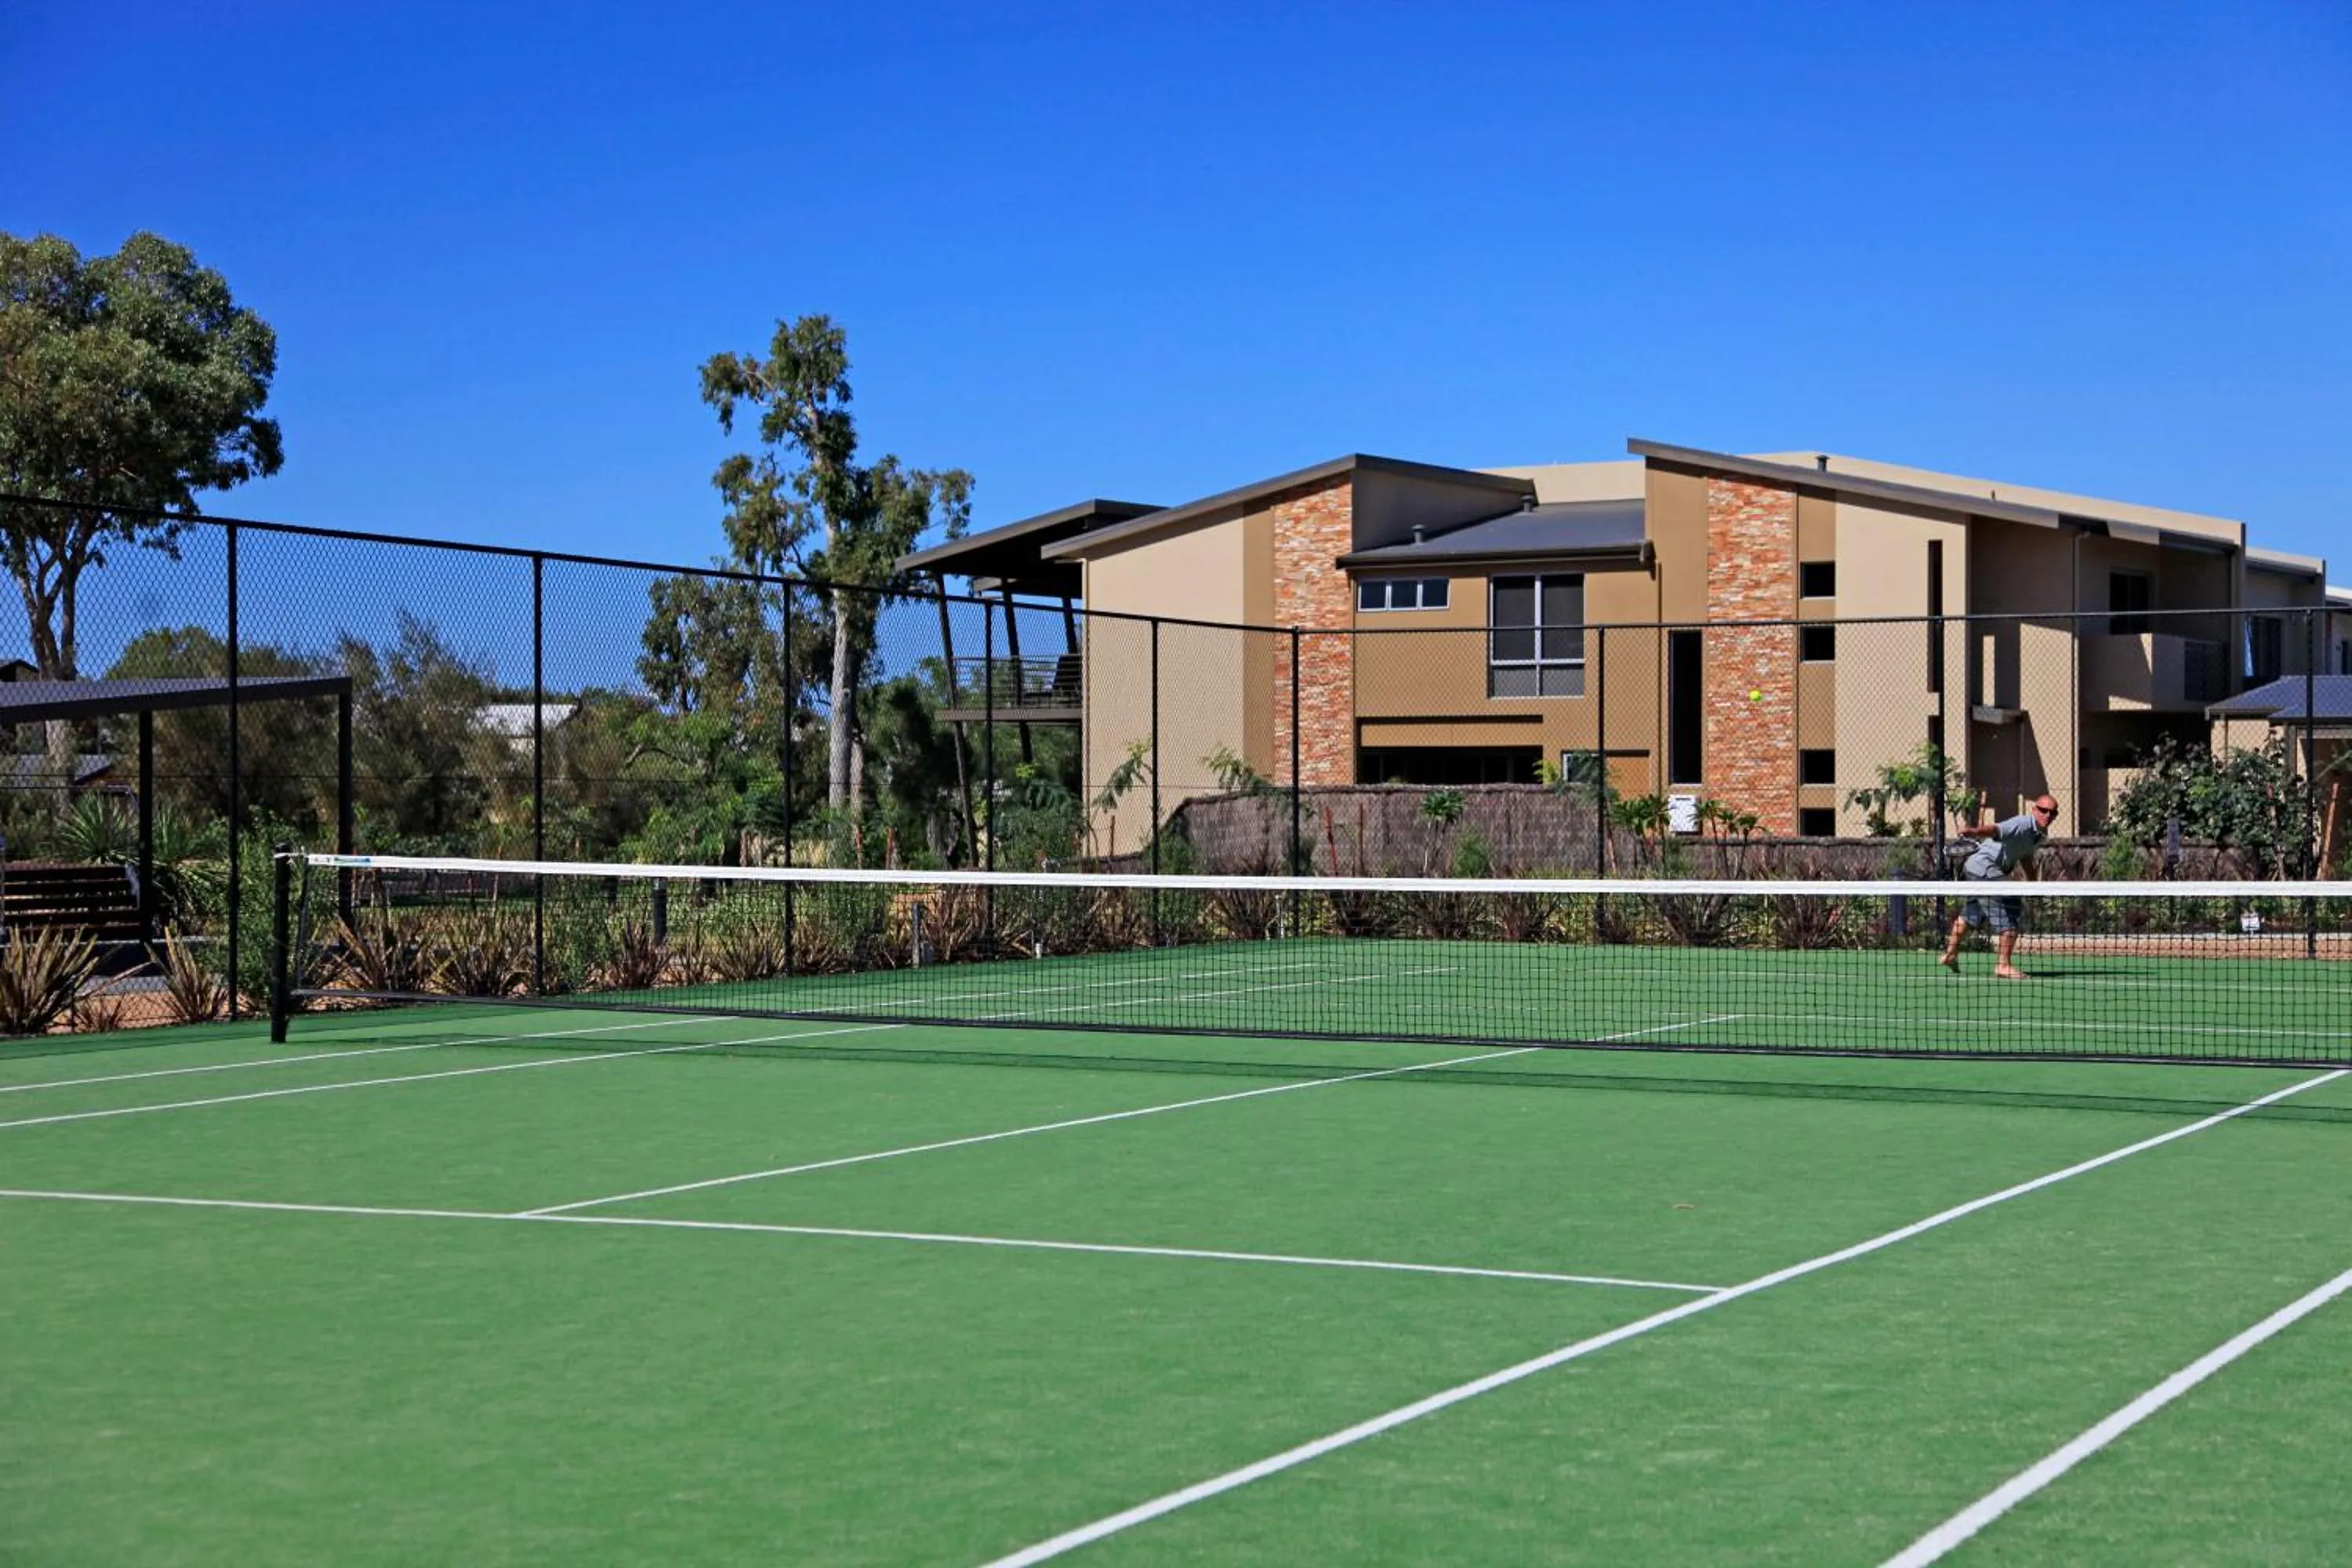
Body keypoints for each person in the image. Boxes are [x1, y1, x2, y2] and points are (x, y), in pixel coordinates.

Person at [1940, 793, 2058, 980]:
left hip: (1976, 869)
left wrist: (2034, 884)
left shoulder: (2038, 835)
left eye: (2053, 813)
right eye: (2044, 811)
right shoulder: (2022, 824)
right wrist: (1974, 832)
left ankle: (1950, 954)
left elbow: (2026, 857)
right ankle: (2003, 965)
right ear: (2034, 810)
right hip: (1985, 869)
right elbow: (1996, 829)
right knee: (2012, 904)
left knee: (1970, 914)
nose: (2048, 816)